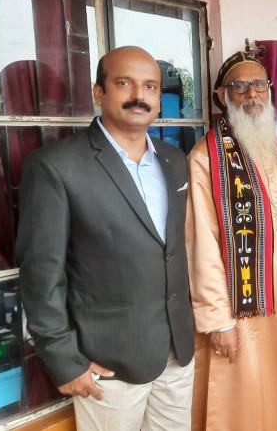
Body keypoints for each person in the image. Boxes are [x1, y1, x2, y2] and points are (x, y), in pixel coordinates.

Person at [16, 46, 195, 430]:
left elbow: (172, 252)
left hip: (176, 353)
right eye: (123, 83)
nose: (139, 96)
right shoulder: (56, 166)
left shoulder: (174, 160)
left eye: (150, 86)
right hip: (107, 364)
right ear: (99, 93)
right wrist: (64, 359)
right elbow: (41, 272)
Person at [188, 52, 277, 431]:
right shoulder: (205, 159)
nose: (252, 95)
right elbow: (202, 246)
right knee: (247, 396)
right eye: (239, 86)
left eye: (259, 85)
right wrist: (217, 321)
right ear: (221, 95)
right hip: (243, 305)